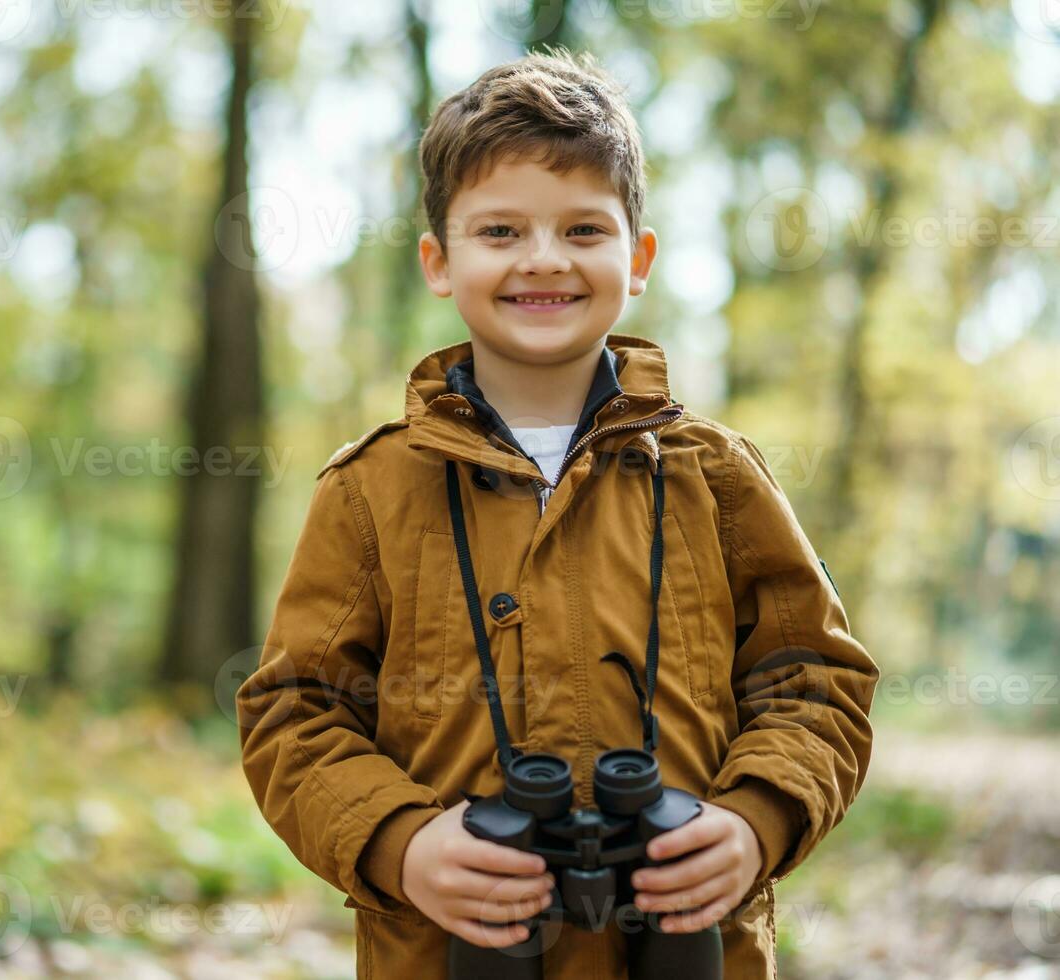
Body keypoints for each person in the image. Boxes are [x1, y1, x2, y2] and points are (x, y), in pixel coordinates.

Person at [236, 47, 878, 980]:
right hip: (451, 953)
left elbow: (815, 679)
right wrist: (404, 845)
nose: (544, 260)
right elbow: (294, 712)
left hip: (686, 949)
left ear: (639, 257)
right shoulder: (372, 488)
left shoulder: (716, 477)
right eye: (499, 231)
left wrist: (753, 821)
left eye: (584, 230)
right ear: (438, 262)